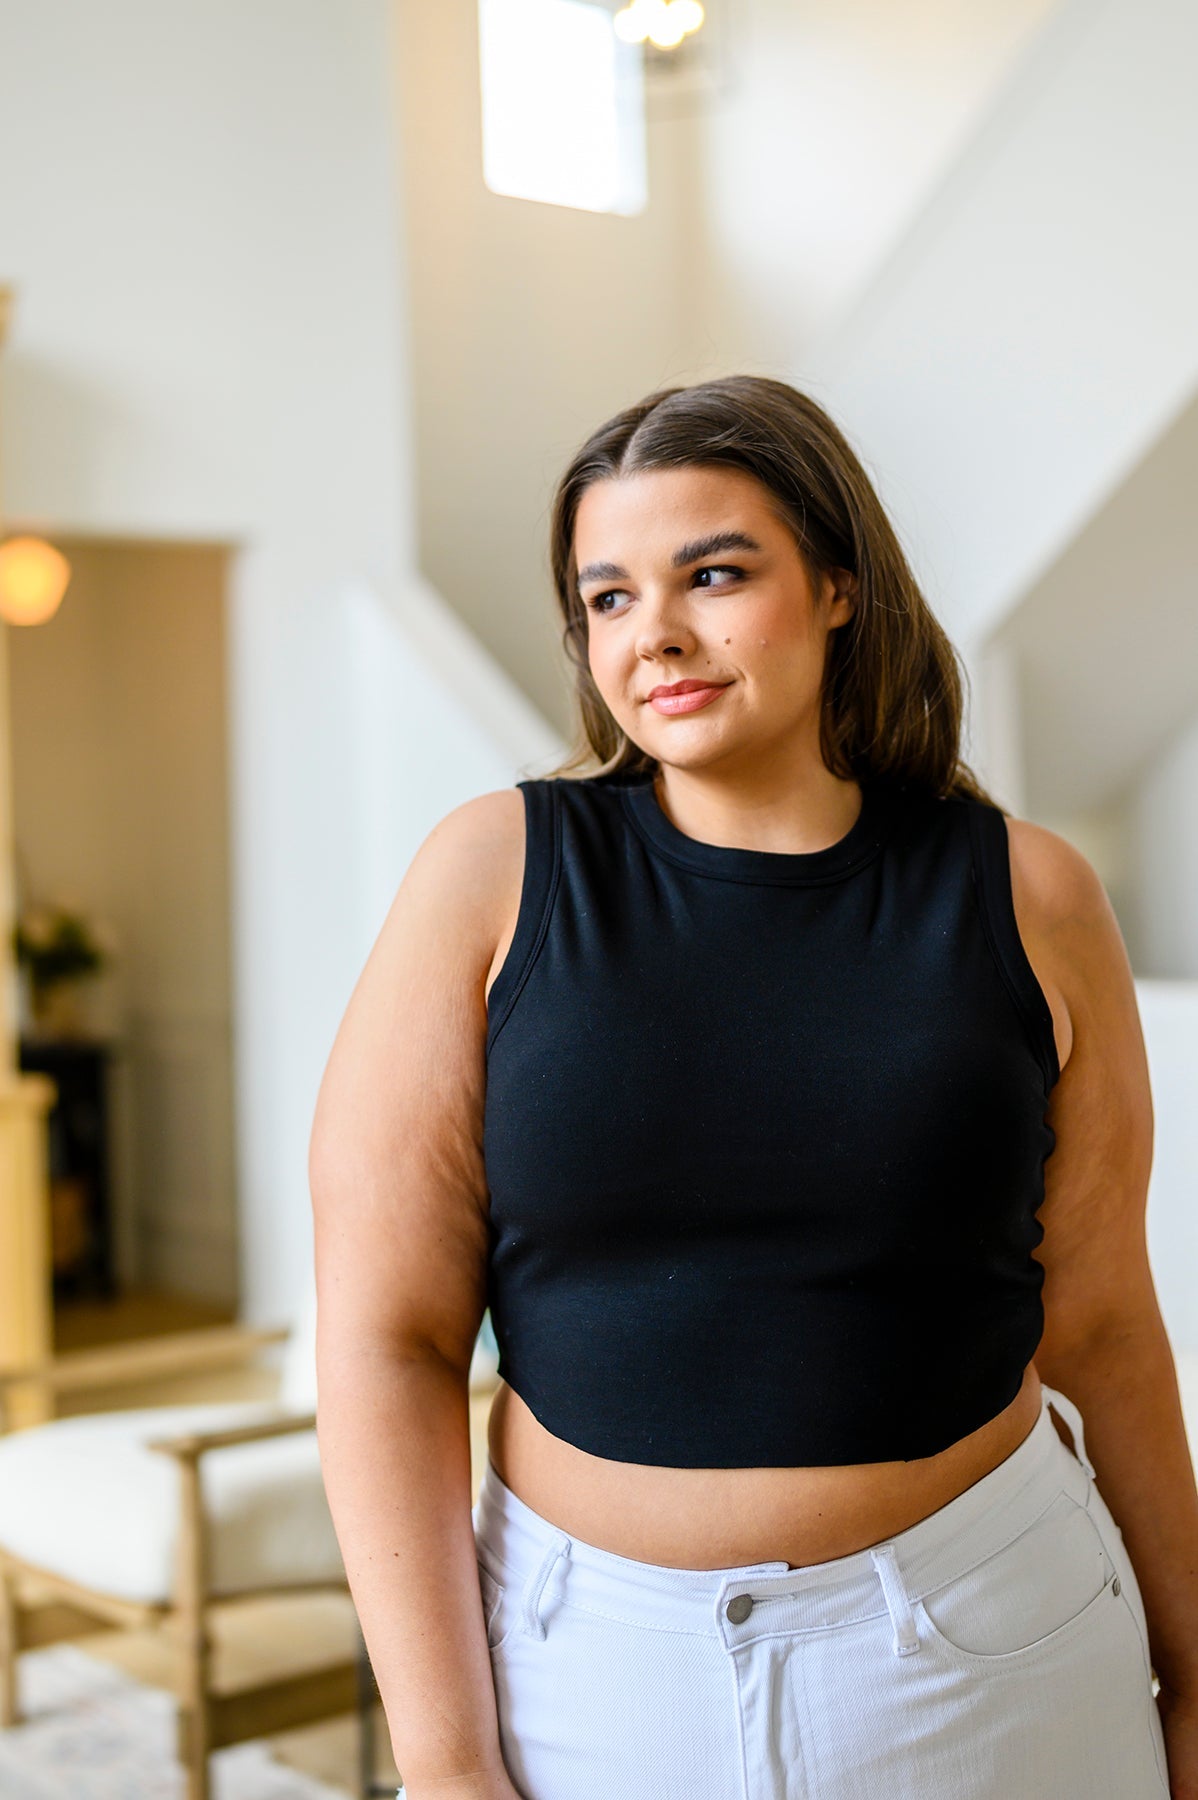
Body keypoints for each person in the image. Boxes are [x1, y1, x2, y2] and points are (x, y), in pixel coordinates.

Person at [309, 376, 1196, 1799]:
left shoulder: (1028, 896)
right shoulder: (491, 877)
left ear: (838, 585)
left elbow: (1099, 1322)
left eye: (711, 575)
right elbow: (386, 1340)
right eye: (606, 598)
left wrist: (1196, 1676)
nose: (651, 633)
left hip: (995, 1644)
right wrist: (447, 1762)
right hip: (587, 1670)